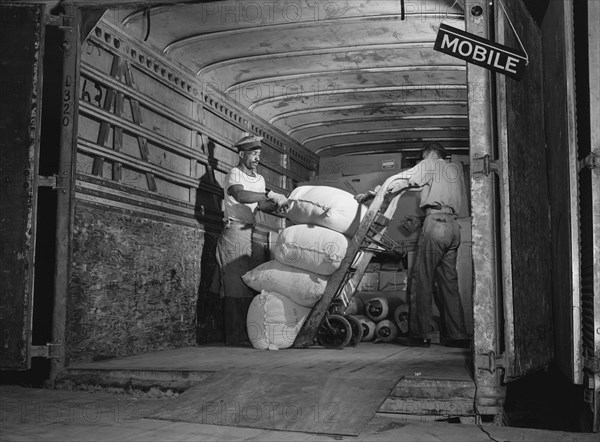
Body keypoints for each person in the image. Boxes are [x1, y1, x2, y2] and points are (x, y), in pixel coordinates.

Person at [357, 142, 469, 348]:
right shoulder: (454, 169)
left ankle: (419, 334)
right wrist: (420, 220)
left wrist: (373, 193)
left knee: (422, 281)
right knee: (449, 284)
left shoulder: (430, 163)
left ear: (428, 154)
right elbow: (442, 200)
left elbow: (402, 180)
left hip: (435, 225)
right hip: (453, 228)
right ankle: (457, 335)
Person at [215, 134, 288, 345]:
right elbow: (241, 196)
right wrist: (270, 195)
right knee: (233, 286)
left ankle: (247, 333)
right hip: (234, 232)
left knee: (250, 282)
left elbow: (260, 206)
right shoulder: (234, 174)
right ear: (241, 154)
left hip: (250, 231)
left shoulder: (260, 179)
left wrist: (278, 205)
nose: (257, 158)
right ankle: (233, 336)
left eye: (259, 154)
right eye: (253, 154)